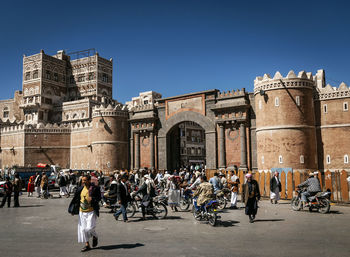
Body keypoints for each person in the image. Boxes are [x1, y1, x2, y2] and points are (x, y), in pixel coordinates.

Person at [70, 175, 101, 252]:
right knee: (83, 229)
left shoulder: (95, 188)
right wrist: (73, 210)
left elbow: (99, 198)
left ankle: (95, 236)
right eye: (82, 180)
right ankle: (87, 245)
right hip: (82, 212)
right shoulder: (80, 189)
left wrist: (93, 199)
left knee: (90, 228)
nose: (83, 182)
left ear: (89, 180)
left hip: (91, 211)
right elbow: (76, 200)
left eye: (85, 180)